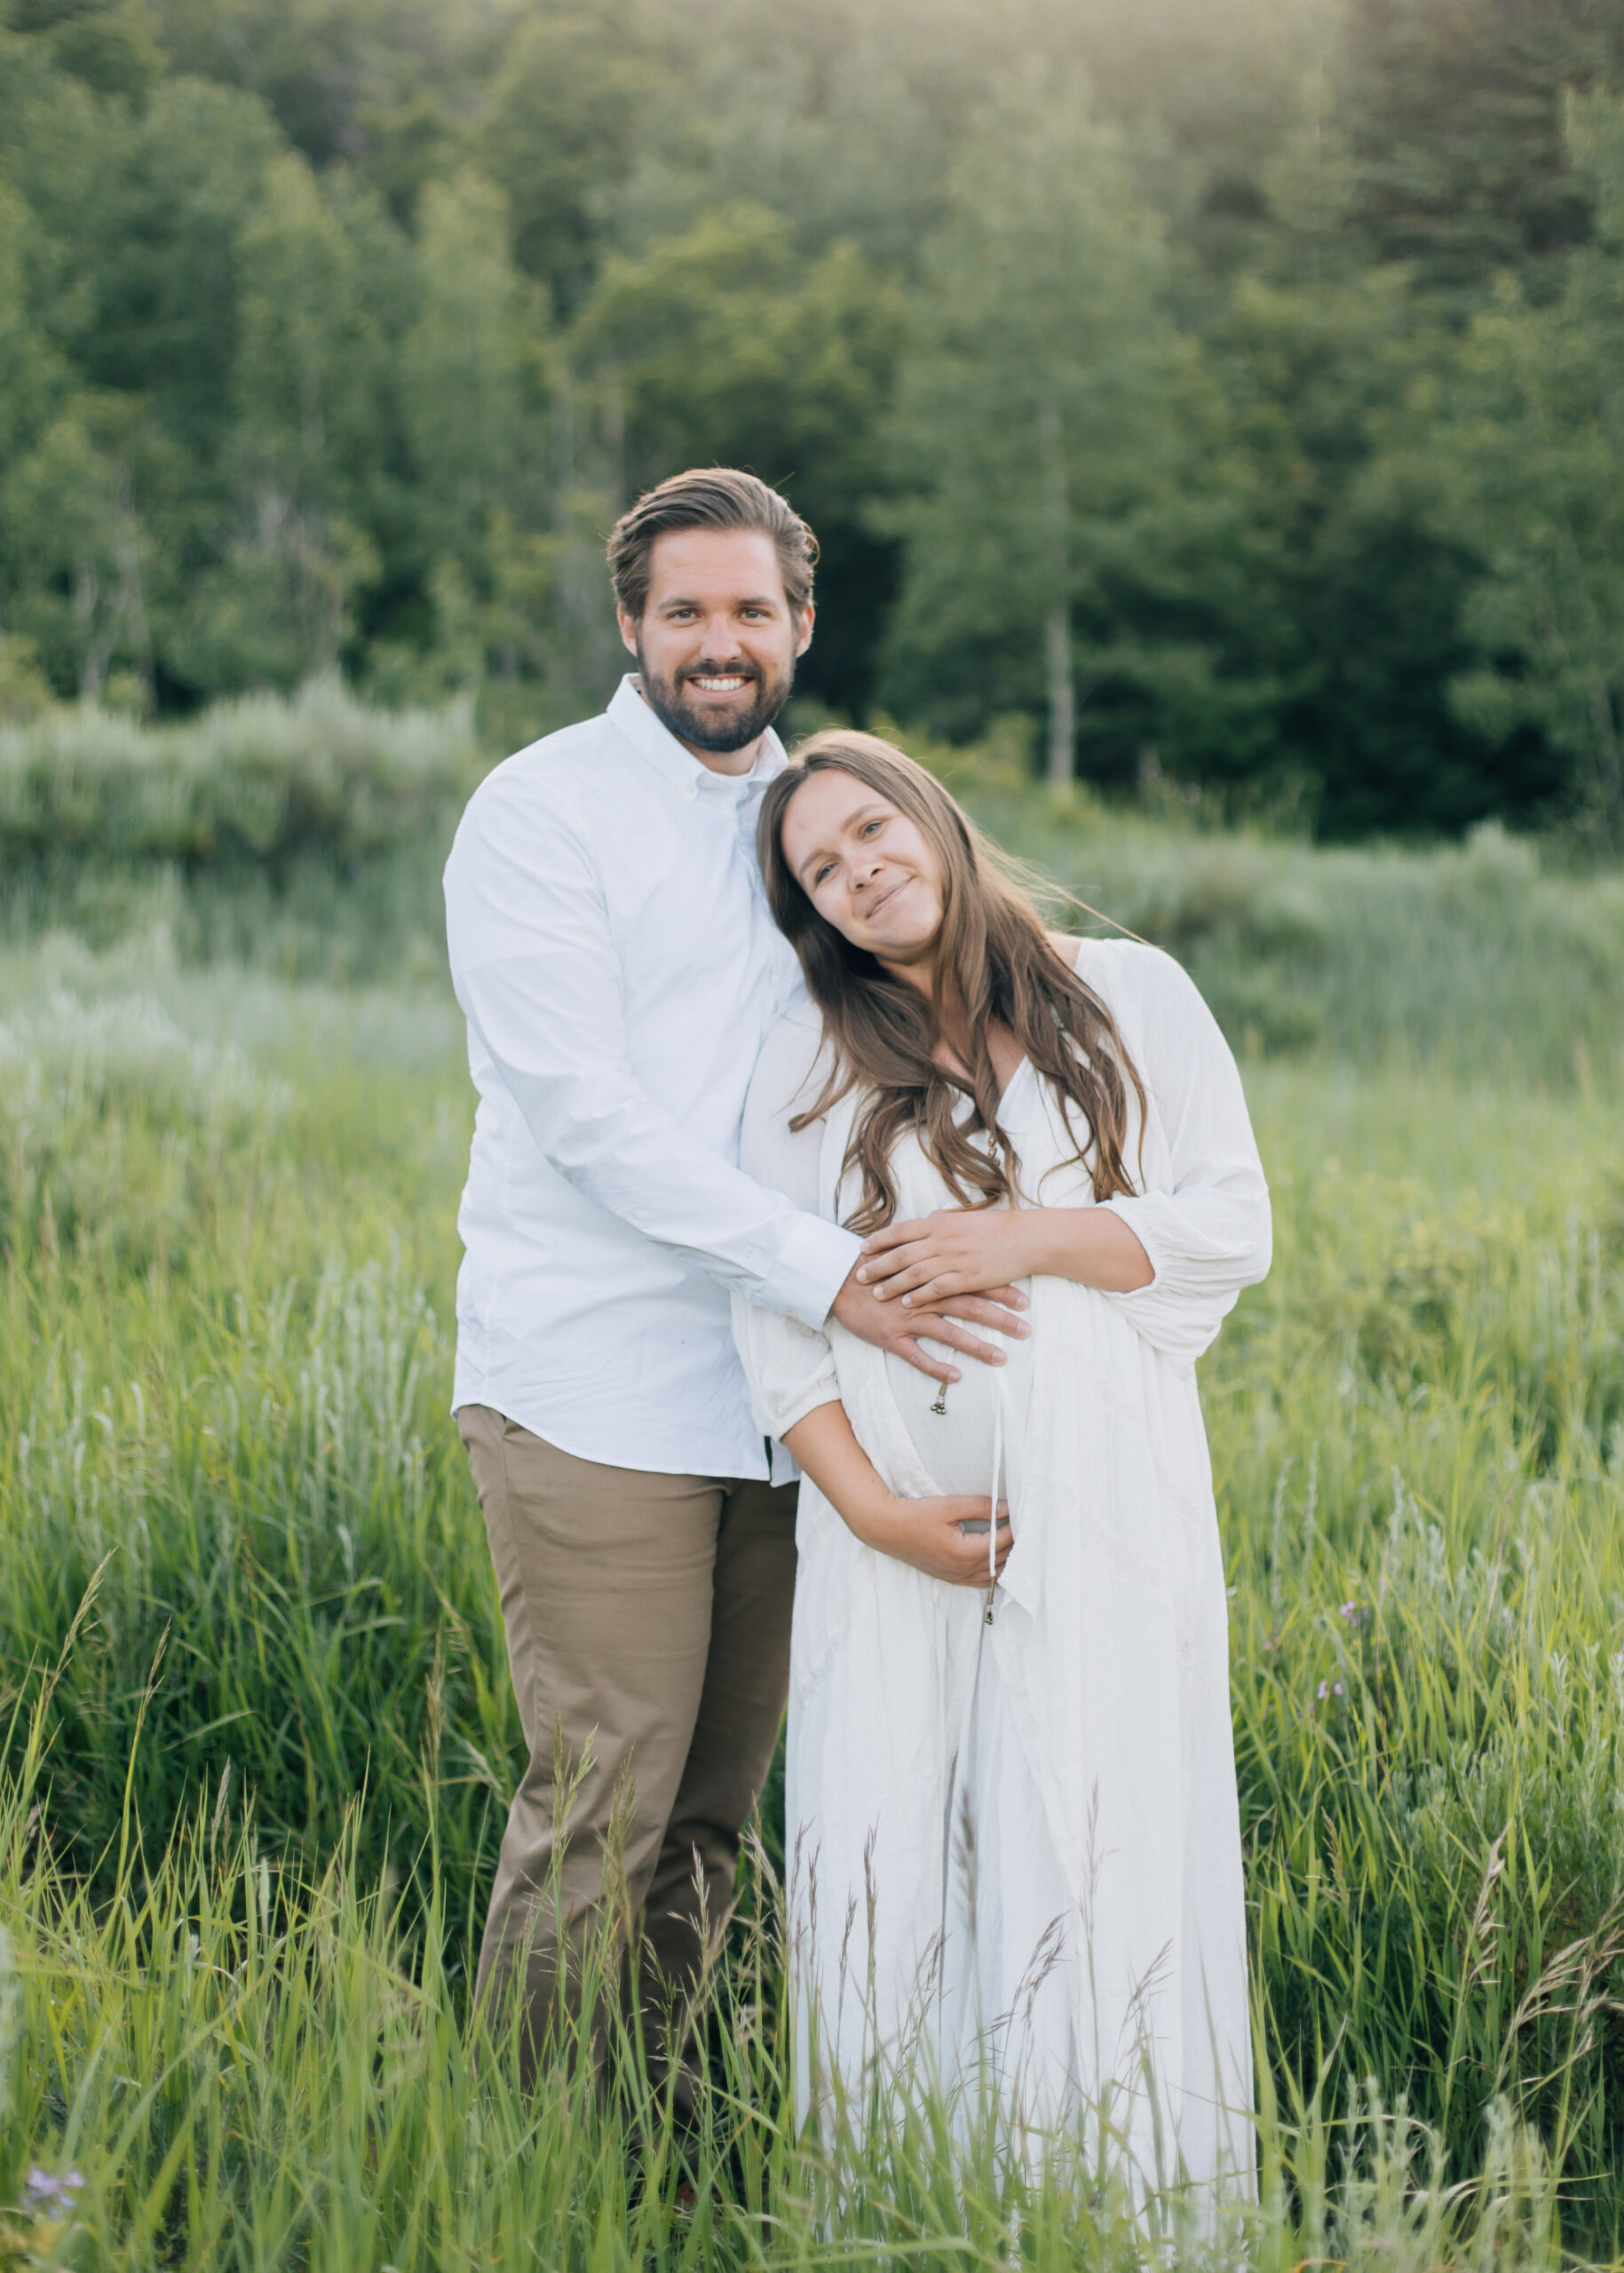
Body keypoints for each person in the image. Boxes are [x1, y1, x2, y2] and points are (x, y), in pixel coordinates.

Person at [441, 471, 1027, 2088]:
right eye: (684, 612)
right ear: (631, 626)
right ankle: (517, 2179)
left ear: (801, 625)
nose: (719, 642)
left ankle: (648, 2160)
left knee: (712, 1821)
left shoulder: (823, 828)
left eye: (749, 612)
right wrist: (839, 1276)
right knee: (604, 1800)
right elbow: (586, 1121)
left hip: (789, 1404)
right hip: (595, 1387)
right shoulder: (541, 813)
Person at [733, 729, 1271, 2189]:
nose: (856, 876)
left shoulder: (1131, 995)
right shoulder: (807, 1052)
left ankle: (1113, 2197)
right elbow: (766, 1314)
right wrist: (874, 1510)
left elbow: (1229, 1224)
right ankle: (912, 2197)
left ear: (930, 812)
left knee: (1094, 1830)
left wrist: (1018, 1236)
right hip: (893, 1539)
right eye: (818, 875)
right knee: (899, 1841)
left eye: (866, 833)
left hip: (1108, 1514)